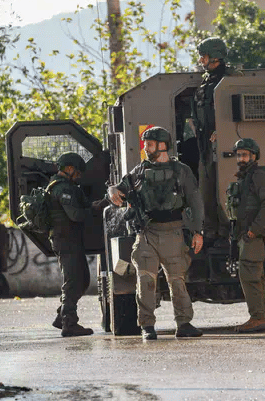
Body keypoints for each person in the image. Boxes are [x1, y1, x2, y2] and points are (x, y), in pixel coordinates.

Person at [107, 126, 205, 340]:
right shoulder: (140, 171)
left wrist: (197, 232)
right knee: (145, 281)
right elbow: (120, 187)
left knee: (177, 281)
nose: (146, 148)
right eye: (145, 144)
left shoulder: (182, 171)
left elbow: (196, 202)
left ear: (162, 145)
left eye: (150, 144)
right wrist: (113, 191)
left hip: (174, 232)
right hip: (147, 234)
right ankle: (147, 326)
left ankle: (184, 323)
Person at [193, 36, 242, 244]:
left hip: (226, 144)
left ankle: (226, 229)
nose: (201, 61)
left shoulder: (232, 78)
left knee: (224, 188)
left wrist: (223, 130)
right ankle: (211, 230)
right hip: (206, 146)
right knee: (206, 188)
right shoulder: (206, 82)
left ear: (215, 57)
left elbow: (238, 110)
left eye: (203, 57)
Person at [225, 138, 265, 333]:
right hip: (245, 234)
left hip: (252, 235)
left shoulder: (258, 175)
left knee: (251, 275)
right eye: (239, 155)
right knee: (252, 274)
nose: (241, 158)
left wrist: (254, 229)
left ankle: (257, 318)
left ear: (254, 156)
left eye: (245, 155)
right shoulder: (246, 177)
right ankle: (258, 316)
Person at [48, 151, 101, 337]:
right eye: (77, 173)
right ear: (69, 169)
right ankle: (69, 324)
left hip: (70, 240)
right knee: (73, 281)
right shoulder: (62, 189)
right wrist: (93, 209)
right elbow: (75, 215)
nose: (78, 177)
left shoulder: (66, 186)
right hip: (65, 240)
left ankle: (61, 316)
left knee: (83, 279)